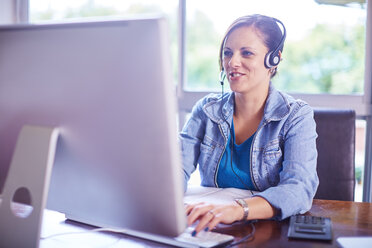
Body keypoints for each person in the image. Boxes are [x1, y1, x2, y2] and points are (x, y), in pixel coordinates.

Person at [180, 14, 319, 235]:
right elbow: (176, 170)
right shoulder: (206, 110)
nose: (232, 63)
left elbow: (298, 189)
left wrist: (237, 209)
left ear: (274, 60)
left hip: (267, 234)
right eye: (227, 53)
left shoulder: (296, 116)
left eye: (246, 53)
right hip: (210, 228)